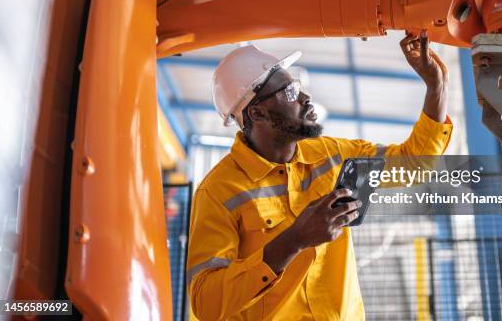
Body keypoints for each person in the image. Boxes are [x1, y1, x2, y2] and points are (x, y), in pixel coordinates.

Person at [187, 31, 453, 320]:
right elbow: (206, 303)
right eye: (289, 92)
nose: (305, 97)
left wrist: (435, 87)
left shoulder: (333, 155)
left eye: (298, 85)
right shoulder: (219, 192)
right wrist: (293, 241)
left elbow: (413, 164)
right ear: (258, 113)